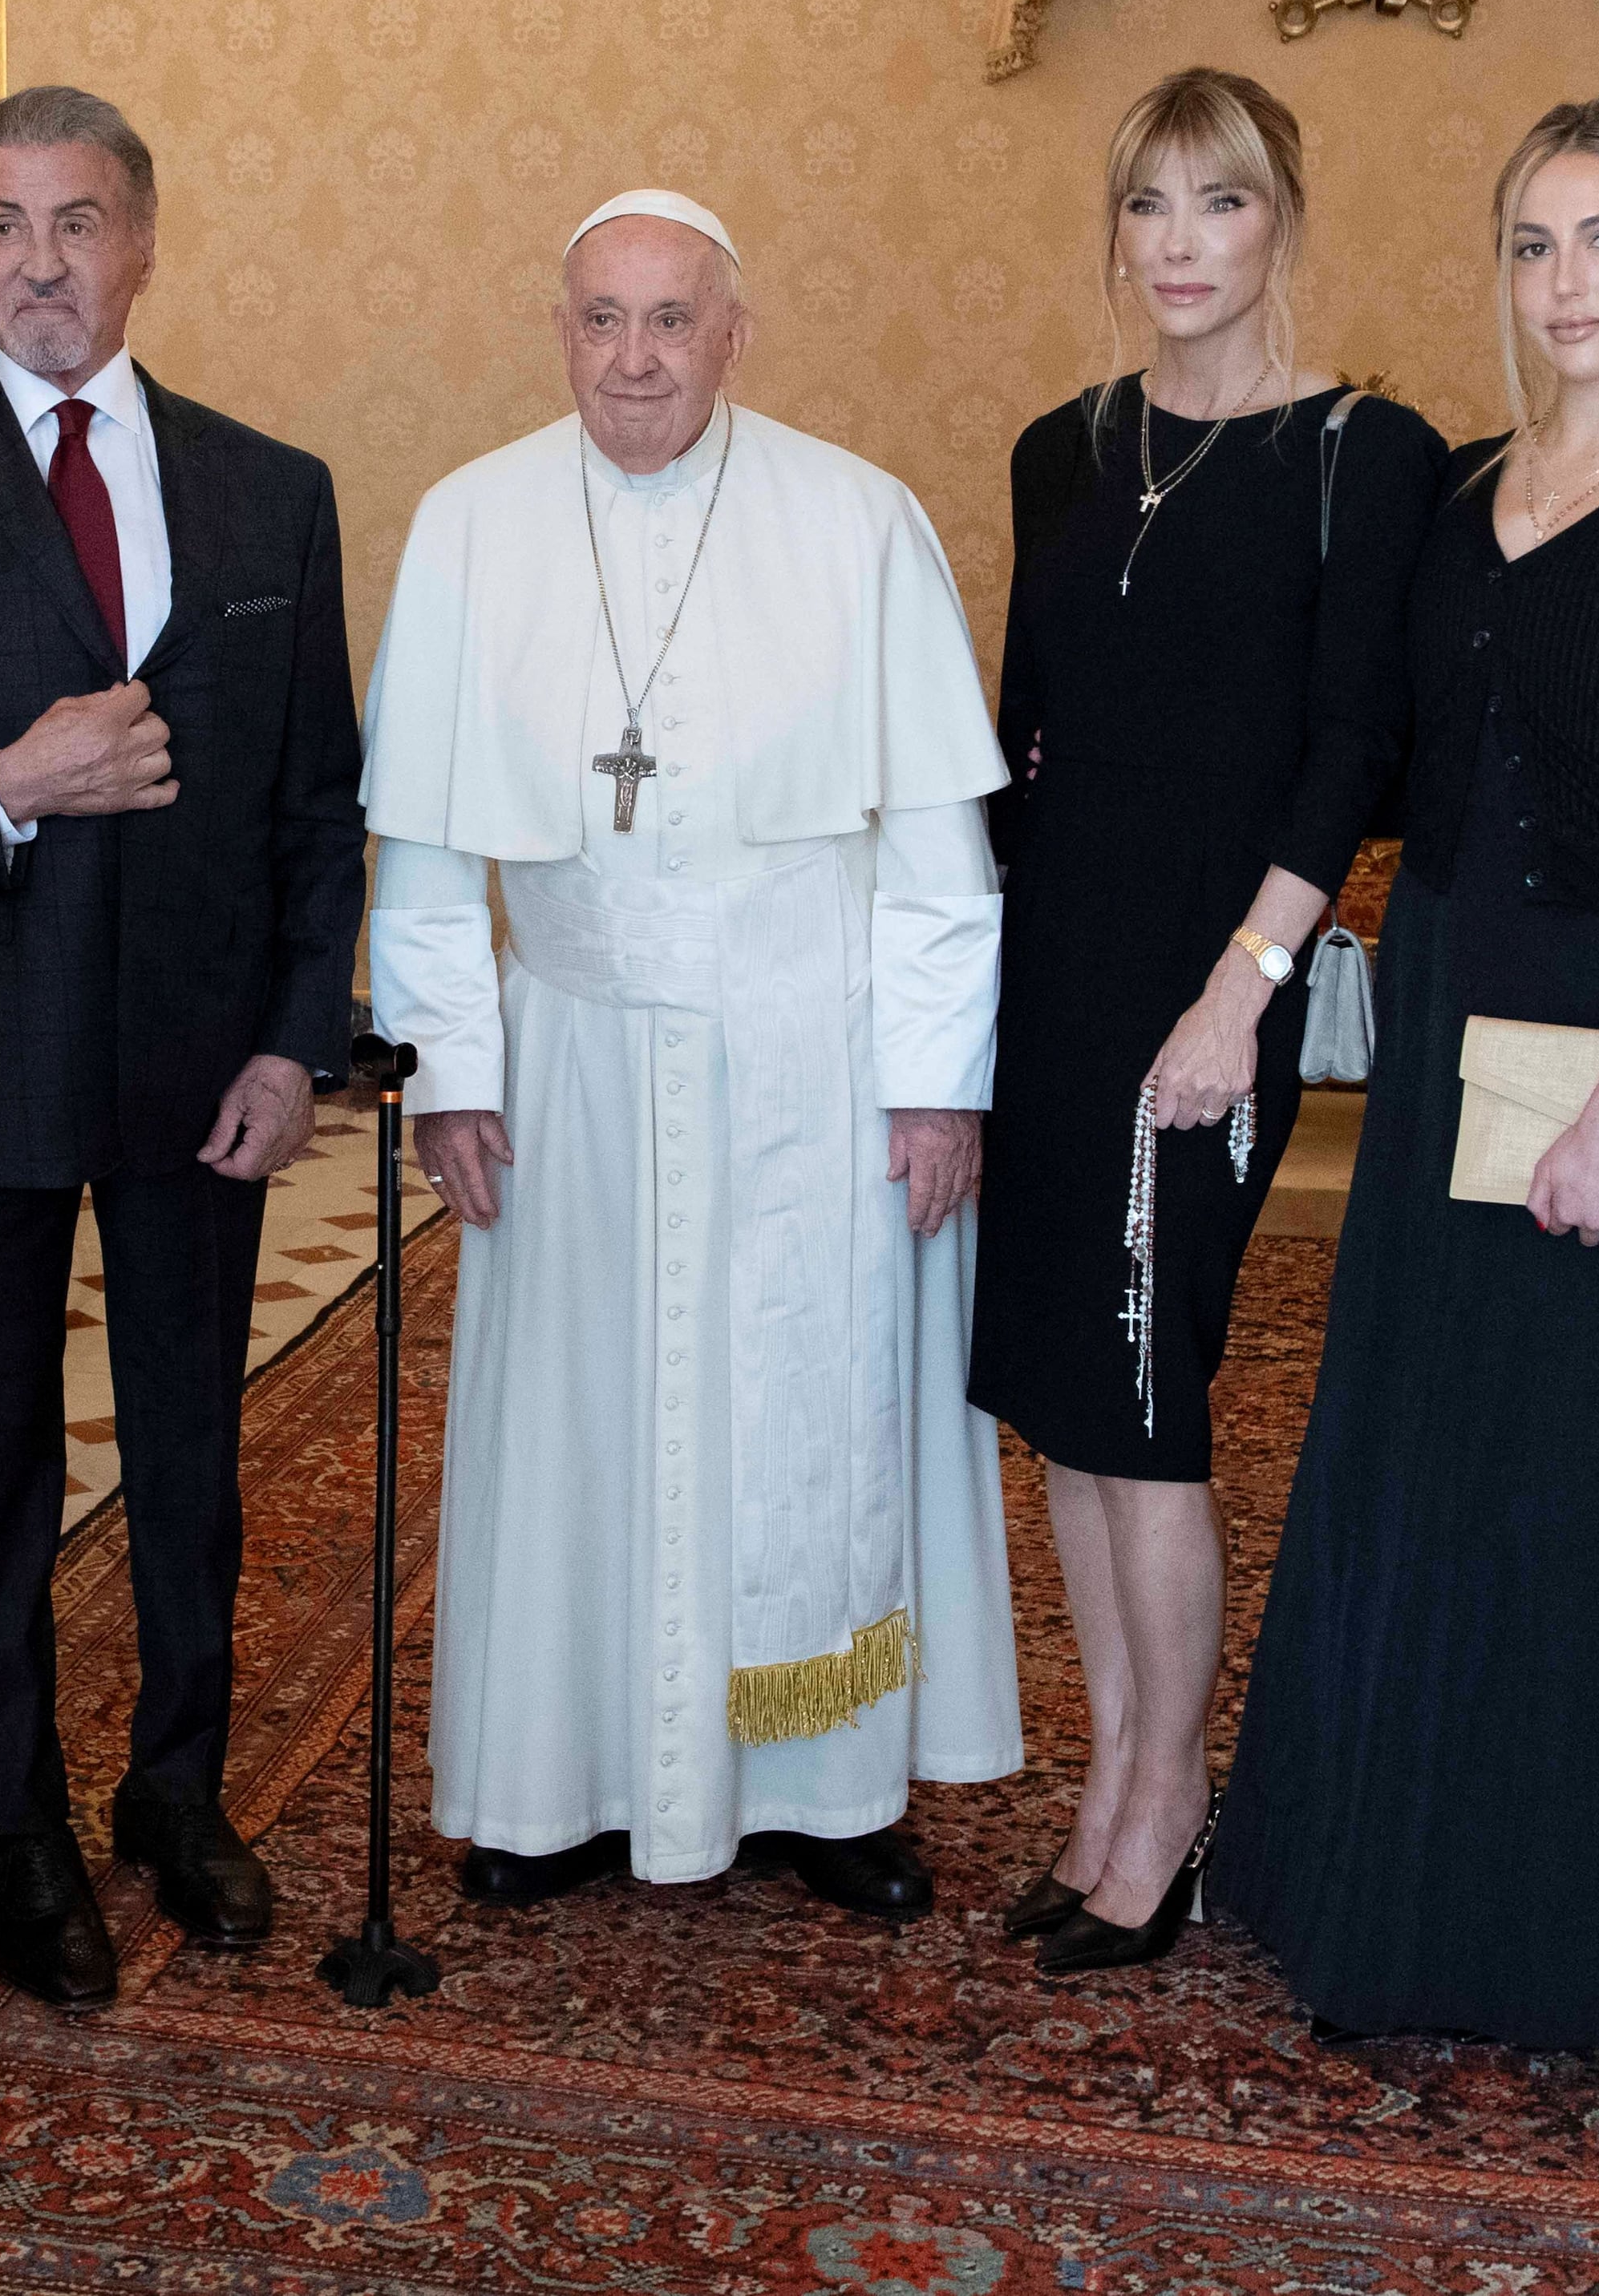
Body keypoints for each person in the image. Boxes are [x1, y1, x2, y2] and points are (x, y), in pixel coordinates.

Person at [1205, 97, 1599, 2047]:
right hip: (1454, 1023)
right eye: (1533, 246)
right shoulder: (1461, 490)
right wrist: (1241, 965)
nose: (1567, 284)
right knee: (1430, 1454)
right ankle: (1379, 1880)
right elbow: (1366, 761)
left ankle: (1586, 1940)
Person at [0, 87, 365, 2012]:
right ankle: (17, 1818)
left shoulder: (274, 492)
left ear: (143, 237)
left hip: (208, 1070)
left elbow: (316, 808)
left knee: (194, 1451)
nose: (43, 260)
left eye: (79, 220)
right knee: (0, 1466)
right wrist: (4, 786)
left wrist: (294, 1040)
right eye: (3, 224)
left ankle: (173, 1790)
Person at [360, 189, 1020, 1922]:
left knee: (818, 1422)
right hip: (569, 1053)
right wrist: (453, 1067)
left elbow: (943, 844)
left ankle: (826, 1786)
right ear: (557, 330)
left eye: (670, 319)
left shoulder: (857, 518)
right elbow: (424, 848)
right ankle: (554, 1779)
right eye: (599, 319)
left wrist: (939, 1078)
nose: (633, 356)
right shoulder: (470, 523)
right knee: (574, 1426)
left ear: (735, 332)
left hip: (813, 1053)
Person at [972, 68, 1446, 1978]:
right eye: (1148, 206)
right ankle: (1110, 1785)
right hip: (1051, 980)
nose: (1180, 245)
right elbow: (1016, 742)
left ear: (1283, 222)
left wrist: (1239, 993)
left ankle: (1169, 1808)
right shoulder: (1059, 445)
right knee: (1068, 1418)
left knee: (1151, 1407)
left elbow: (1351, 749)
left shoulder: (1363, 451)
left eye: (1220, 204)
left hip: (1208, 993)